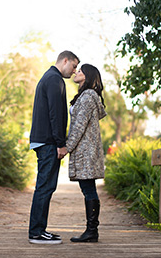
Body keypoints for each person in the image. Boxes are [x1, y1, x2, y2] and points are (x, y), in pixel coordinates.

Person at [28, 50, 80, 245]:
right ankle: (36, 233)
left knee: (46, 186)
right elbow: (55, 114)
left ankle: (39, 229)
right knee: (44, 187)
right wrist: (61, 143)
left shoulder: (50, 77)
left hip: (45, 140)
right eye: (73, 66)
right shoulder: (54, 79)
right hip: (49, 142)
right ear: (65, 60)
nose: (74, 71)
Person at [65, 63, 107, 243]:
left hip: (86, 150)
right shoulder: (86, 96)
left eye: (80, 70)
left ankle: (92, 231)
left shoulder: (89, 96)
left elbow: (79, 125)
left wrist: (67, 147)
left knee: (88, 189)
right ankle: (91, 231)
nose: (76, 72)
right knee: (88, 188)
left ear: (87, 76)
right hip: (85, 149)